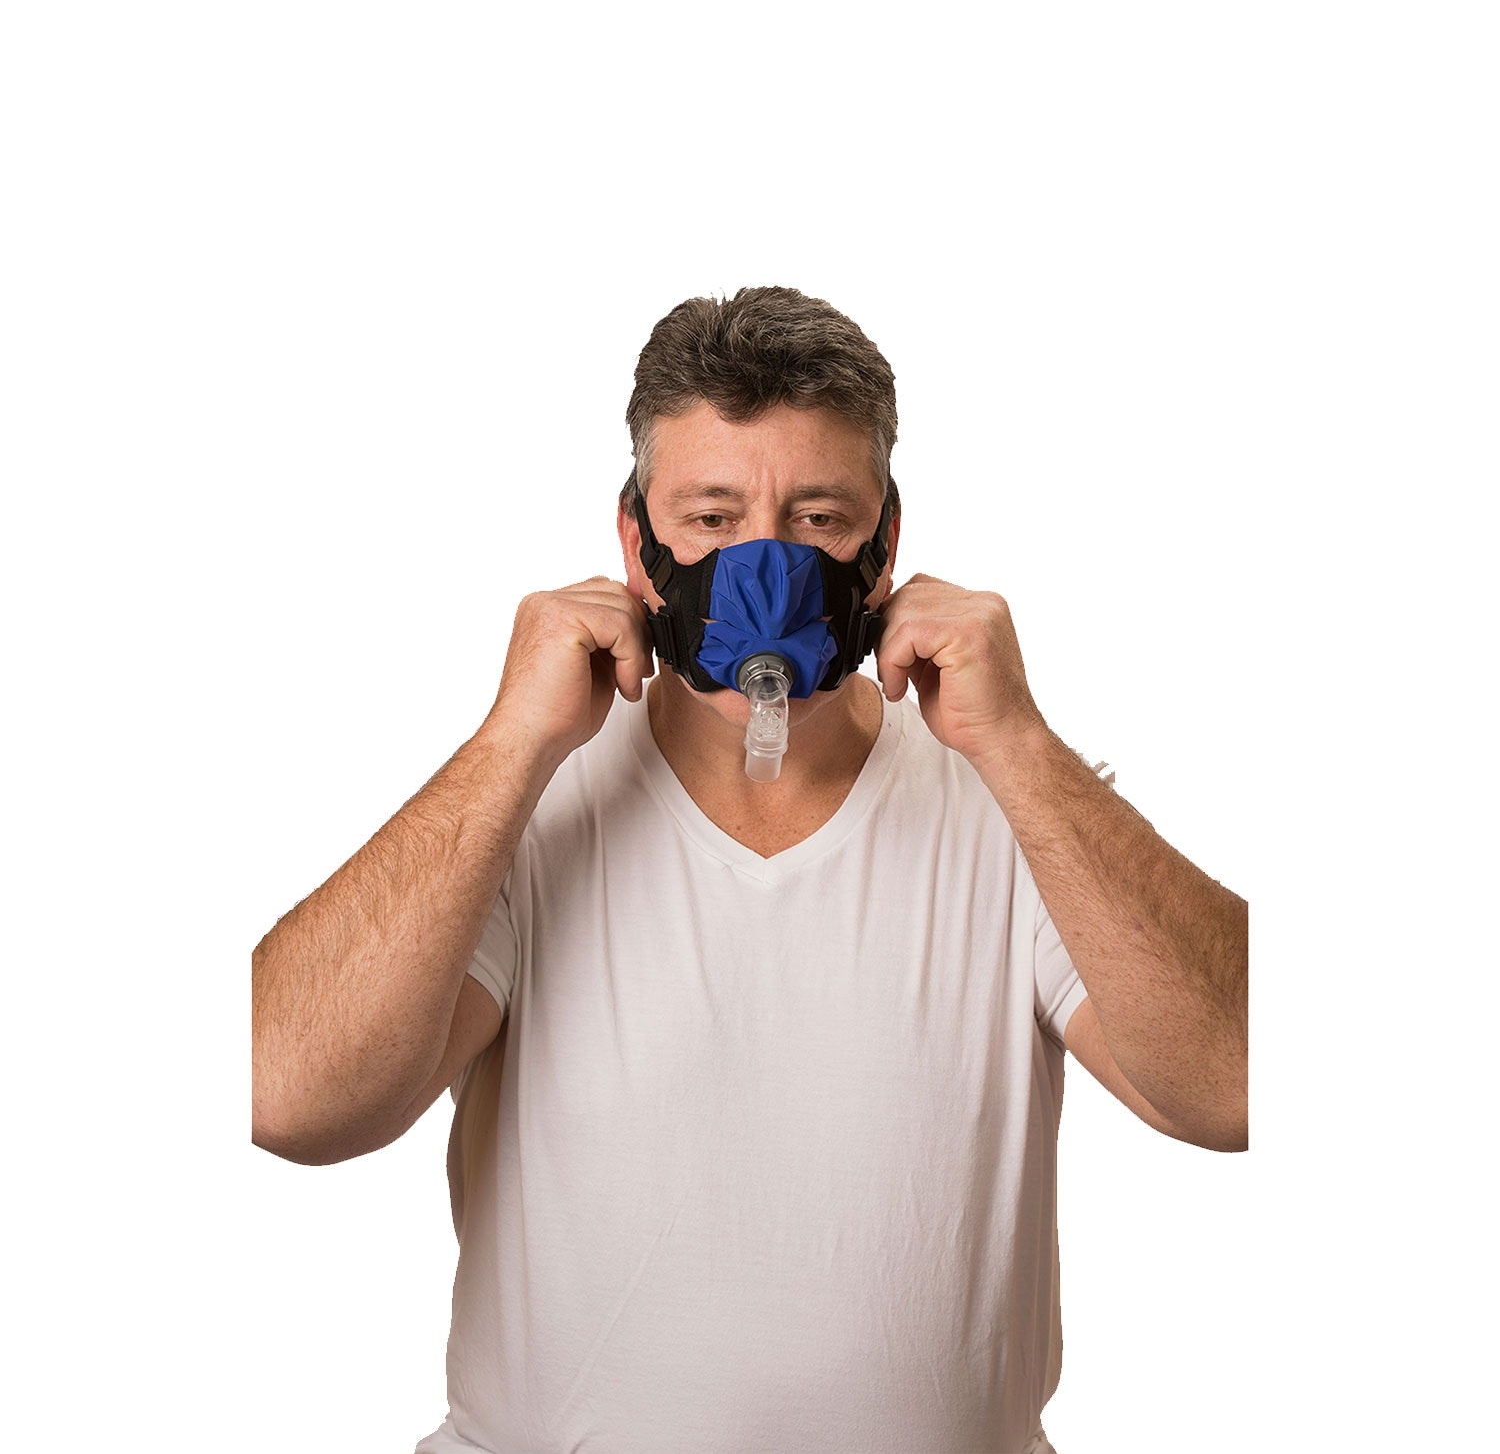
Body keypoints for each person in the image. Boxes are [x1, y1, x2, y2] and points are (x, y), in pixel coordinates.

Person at [252, 286, 1248, 1454]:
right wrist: (509, 744)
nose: (763, 565)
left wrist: (1021, 746)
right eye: (712, 518)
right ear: (637, 544)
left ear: (885, 546)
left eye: (817, 518)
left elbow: (1240, 1087)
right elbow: (286, 1099)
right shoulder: (522, 811)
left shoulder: (1010, 808)